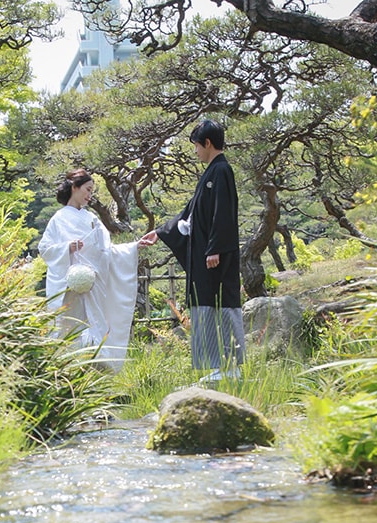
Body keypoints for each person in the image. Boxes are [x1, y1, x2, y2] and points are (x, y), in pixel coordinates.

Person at [140, 120, 246, 378]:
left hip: (215, 257)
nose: (196, 151)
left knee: (222, 304)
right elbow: (190, 214)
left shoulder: (222, 171)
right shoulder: (211, 173)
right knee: (205, 305)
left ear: (207, 143)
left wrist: (215, 248)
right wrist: (162, 231)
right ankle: (220, 366)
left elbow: (223, 213)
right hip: (206, 256)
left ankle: (231, 367)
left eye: (197, 145)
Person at [38, 169, 149, 372]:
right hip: (69, 284)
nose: (90, 195)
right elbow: (44, 249)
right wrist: (66, 248)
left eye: (92, 191)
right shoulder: (58, 219)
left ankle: (97, 371)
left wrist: (133, 247)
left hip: (93, 283)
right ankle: (65, 369)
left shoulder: (93, 219)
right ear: (74, 187)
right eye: (88, 189)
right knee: (68, 323)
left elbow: (106, 251)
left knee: (96, 323)